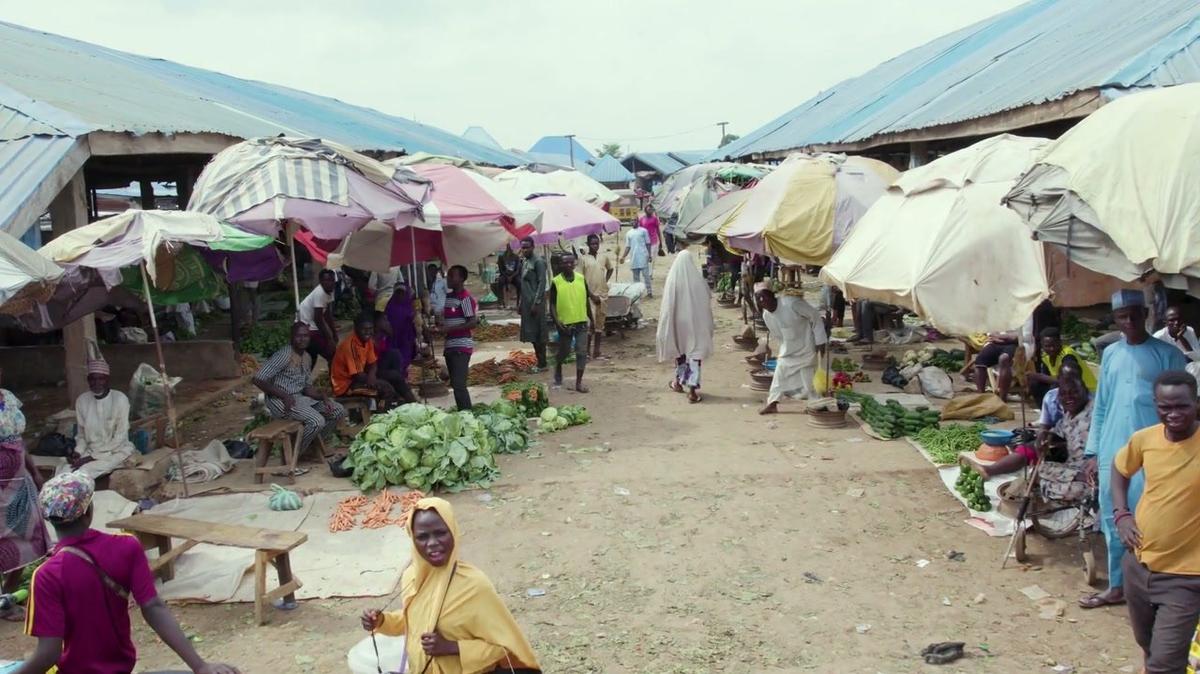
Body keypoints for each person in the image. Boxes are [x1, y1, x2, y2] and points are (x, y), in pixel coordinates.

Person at [17, 472, 239, 674]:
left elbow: (49, 653)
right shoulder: (126, 546)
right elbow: (153, 607)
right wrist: (200, 666)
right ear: (89, 512)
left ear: (47, 518)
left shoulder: (46, 575)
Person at [1080, 289, 1189, 610]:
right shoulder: (1111, 354)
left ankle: (1154, 590)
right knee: (1114, 519)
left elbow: (1181, 409)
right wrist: (1092, 451)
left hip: (1155, 453)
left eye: (1134, 315)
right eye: (1122, 317)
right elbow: (1102, 405)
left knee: (1152, 520)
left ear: (1145, 314)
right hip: (1112, 449)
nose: (1128, 321)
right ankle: (1118, 587)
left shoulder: (1168, 355)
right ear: (1115, 319)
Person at [361, 497, 541, 674]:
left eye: (440, 533)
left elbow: (503, 647)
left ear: (453, 532)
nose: (432, 543)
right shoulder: (412, 577)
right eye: (422, 537)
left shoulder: (474, 585)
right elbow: (415, 621)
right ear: (413, 540)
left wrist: (451, 647)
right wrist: (382, 621)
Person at [1111, 371, 1200, 672]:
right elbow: (1119, 469)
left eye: (1182, 406)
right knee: (1148, 645)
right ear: (1155, 404)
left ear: (1196, 403)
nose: (1173, 414)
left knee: (1165, 662)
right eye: (1165, 407)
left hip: (1186, 578)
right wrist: (1122, 514)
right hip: (1138, 566)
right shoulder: (1145, 439)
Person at [964, 368, 1093, 502]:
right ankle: (990, 470)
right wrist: (1043, 437)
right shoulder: (1062, 408)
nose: (1068, 397)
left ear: (1084, 390)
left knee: (1075, 489)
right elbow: (1051, 430)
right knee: (1038, 467)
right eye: (1063, 393)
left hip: (1092, 471)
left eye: (1074, 392)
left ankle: (1060, 485)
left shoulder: (1095, 414)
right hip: (1069, 462)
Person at [254, 323, 347, 458]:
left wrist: (324, 397)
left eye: (306, 336)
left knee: (338, 410)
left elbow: (307, 388)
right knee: (317, 421)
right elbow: (258, 379)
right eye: (299, 336)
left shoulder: (307, 357)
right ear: (292, 337)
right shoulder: (284, 355)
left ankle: (308, 447)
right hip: (280, 401)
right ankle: (293, 455)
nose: (302, 339)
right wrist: (284, 395)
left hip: (300, 399)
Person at [0, 370, 46, 611]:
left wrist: (34, 471)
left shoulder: (8, 398)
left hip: (20, 482)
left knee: (29, 533)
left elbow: (19, 441)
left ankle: (8, 591)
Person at [757, 284, 828, 415]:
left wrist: (820, 340)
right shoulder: (767, 315)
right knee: (779, 374)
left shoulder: (791, 303)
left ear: (773, 296)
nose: (763, 302)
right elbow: (778, 335)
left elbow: (815, 316)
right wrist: (783, 349)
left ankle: (817, 405)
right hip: (788, 351)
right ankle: (772, 403)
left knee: (809, 379)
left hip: (806, 347)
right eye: (760, 300)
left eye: (765, 297)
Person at [656, 249, 714, 403]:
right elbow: (707, 298)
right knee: (694, 354)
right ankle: (692, 391)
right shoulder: (698, 280)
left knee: (680, 352)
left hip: (678, 322)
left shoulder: (672, 279)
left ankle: (678, 382)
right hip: (696, 323)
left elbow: (667, 305)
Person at [68, 359, 138, 481]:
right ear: (88, 380)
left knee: (85, 471)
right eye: (92, 379)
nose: (96, 383)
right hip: (90, 450)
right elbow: (81, 435)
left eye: (101, 379)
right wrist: (78, 452)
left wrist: (90, 458)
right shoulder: (82, 401)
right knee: (66, 470)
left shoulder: (120, 399)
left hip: (117, 451)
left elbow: (120, 438)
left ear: (108, 380)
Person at [434, 265, 479, 411]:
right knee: (455, 384)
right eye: (448, 276)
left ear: (461, 279)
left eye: (452, 276)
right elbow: (447, 320)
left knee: (459, 385)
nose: (448, 279)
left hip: (461, 346)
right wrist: (439, 326)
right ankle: (463, 412)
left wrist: (449, 329)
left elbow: (472, 322)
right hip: (450, 346)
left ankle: (467, 414)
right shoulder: (449, 298)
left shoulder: (465, 298)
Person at [331, 314, 401, 406]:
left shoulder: (368, 341)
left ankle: (406, 402)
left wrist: (372, 375)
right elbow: (358, 376)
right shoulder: (350, 346)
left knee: (394, 376)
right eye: (364, 329)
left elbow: (373, 363)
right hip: (346, 386)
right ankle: (379, 412)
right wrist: (376, 380)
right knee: (386, 389)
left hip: (360, 377)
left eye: (370, 328)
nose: (368, 332)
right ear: (356, 329)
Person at [549, 253, 594, 393]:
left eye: (570, 262)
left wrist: (591, 319)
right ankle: (558, 365)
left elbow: (586, 300)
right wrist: (557, 322)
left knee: (581, 352)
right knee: (565, 351)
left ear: (575, 264)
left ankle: (579, 383)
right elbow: (552, 304)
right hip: (565, 324)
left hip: (581, 322)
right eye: (565, 263)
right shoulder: (556, 282)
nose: (568, 265)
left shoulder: (581, 279)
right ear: (560, 265)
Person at [1025, 327, 1097, 404]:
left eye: (1054, 345)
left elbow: (1066, 380)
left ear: (1060, 342)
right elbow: (1046, 378)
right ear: (1042, 345)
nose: (1051, 349)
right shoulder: (1045, 356)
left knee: (1055, 387)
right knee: (1036, 384)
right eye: (1047, 346)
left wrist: (1038, 376)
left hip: (1087, 391)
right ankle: (1045, 409)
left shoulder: (1068, 355)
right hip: (1071, 389)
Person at [578, 234, 615, 360]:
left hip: (602, 295)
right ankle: (587, 352)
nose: (595, 246)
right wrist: (590, 294)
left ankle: (597, 351)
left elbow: (610, 269)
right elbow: (580, 279)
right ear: (588, 244)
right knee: (590, 324)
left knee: (600, 324)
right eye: (592, 244)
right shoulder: (583, 259)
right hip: (590, 296)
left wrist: (605, 281)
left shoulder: (603, 257)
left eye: (597, 243)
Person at [517, 238, 549, 370]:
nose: (524, 250)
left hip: (536, 304)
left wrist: (536, 303)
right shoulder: (524, 262)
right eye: (523, 247)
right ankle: (539, 361)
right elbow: (523, 284)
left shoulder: (538, 262)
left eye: (527, 247)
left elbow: (542, 283)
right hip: (526, 303)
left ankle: (543, 363)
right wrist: (520, 303)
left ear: (533, 247)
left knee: (539, 333)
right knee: (531, 333)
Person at [298, 269, 338, 367]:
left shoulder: (330, 291)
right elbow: (318, 319)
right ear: (320, 281)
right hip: (307, 327)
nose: (330, 283)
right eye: (326, 280)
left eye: (332, 280)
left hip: (312, 326)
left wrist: (334, 332)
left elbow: (327, 314)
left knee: (312, 356)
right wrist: (329, 338)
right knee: (332, 354)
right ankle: (334, 376)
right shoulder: (319, 293)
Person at [620, 216, 654, 297]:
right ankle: (637, 293)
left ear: (638, 221)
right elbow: (628, 247)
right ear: (630, 222)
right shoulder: (628, 233)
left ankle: (649, 292)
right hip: (634, 258)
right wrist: (623, 256)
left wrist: (649, 255)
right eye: (632, 220)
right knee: (636, 277)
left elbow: (648, 243)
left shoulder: (643, 231)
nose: (633, 221)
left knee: (646, 275)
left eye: (635, 220)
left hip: (643, 256)